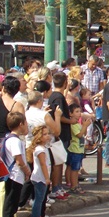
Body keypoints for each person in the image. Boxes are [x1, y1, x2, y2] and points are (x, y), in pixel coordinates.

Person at [2, 112, 31, 217]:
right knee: (11, 203)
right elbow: (19, 160)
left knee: (11, 202)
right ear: (20, 124)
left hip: (13, 175)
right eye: (25, 123)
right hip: (14, 175)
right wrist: (27, 171)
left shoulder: (10, 138)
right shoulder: (15, 141)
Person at [48, 71, 72, 200]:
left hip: (61, 133)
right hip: (60, 133)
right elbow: (60, 115)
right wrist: (71, 121)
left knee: (60, 161)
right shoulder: (58, 97)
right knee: (58, 162)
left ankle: (58, 186)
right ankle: (55, 187)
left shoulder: (57, 95)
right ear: (65, 82)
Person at [27, 125, 52, 217]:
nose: (47, 136)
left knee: (41, 198)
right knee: (39, 199)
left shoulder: (42, 148)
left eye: (47, 134)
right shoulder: (40, 150)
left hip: (41, 177)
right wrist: (47, 178)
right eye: (44, 134)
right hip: (40, 177)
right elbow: (43, 164)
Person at [65, 103, 90, 193]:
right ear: (70, 113)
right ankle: (73, 185)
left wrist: (84, 126)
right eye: (76, 111)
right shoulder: (73, 124)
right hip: (75, 149)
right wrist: (85, 126)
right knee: (74, 169)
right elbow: (79, 135)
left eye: (80, 111)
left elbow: (83, 133)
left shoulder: (77, 123)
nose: (79, 113)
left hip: (79, 149)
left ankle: (72, 183)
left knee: (73, 168)